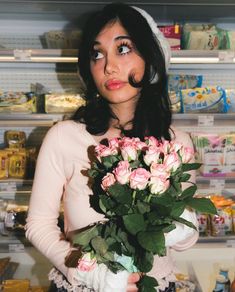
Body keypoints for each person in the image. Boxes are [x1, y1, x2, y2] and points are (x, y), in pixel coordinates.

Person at [25, 2, 199, 291]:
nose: (108, 67)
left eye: (123, 48)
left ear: (151, 57)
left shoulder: (176, 144)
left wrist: (182, 224)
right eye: (97, 54)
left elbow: (186, 242)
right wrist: (84, 272)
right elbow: (38, 224)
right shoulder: (64, 137)